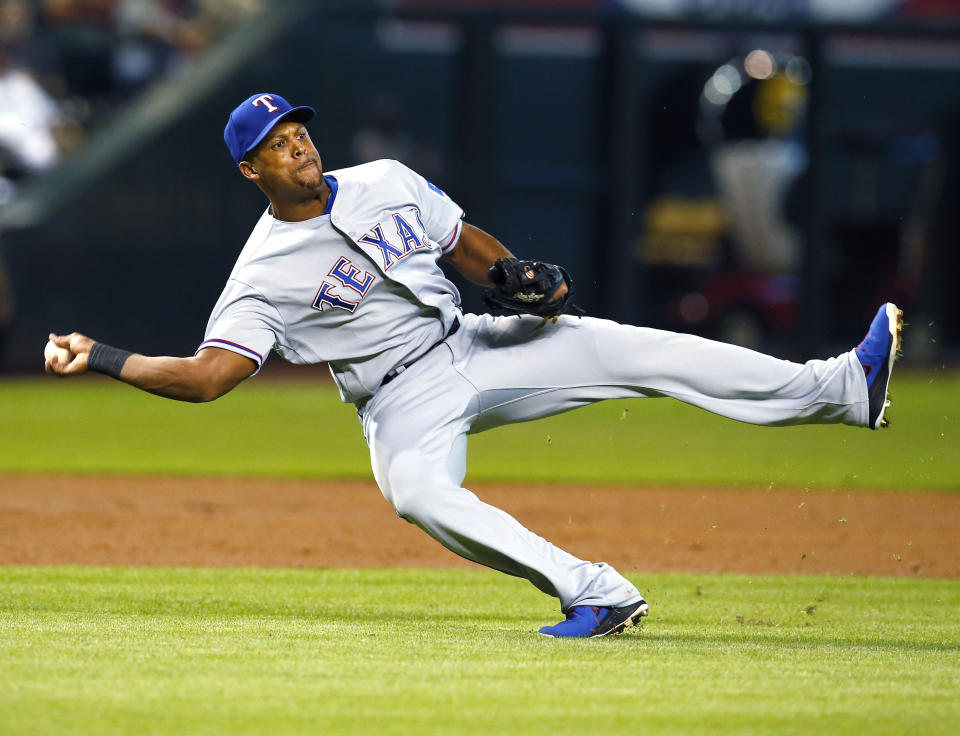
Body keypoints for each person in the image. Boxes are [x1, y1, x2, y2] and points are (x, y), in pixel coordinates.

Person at [46, 93, 903, 638]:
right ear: (250, 169)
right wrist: (104, 357)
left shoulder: (384, 178)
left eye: (299, 129)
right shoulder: (261, 273)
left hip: (472, 345)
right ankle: (595, 592)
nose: (298, 145)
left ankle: (840, 387)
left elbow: (464, 244)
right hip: (398, 402)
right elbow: (208, 377)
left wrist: (513, 278)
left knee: (643, 349)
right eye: (276, 142)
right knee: (415, 493)